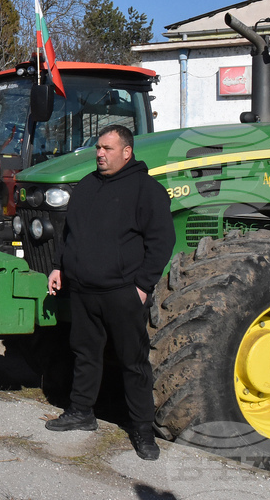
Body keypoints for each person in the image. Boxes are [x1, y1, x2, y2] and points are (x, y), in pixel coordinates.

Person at [45, 124, 174, 461]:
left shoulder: (147, 190)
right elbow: (69, 234)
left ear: (127, 151)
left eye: (107, 148)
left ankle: (143, 430)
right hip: (84, 290)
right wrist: (60, 266)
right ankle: (81, 413)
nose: (100, 154)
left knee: (133, 363)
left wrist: (143, 287)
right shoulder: (87, 186)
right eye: (98, 148)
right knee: (85, 355)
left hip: (123, 293)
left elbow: (161, 242)